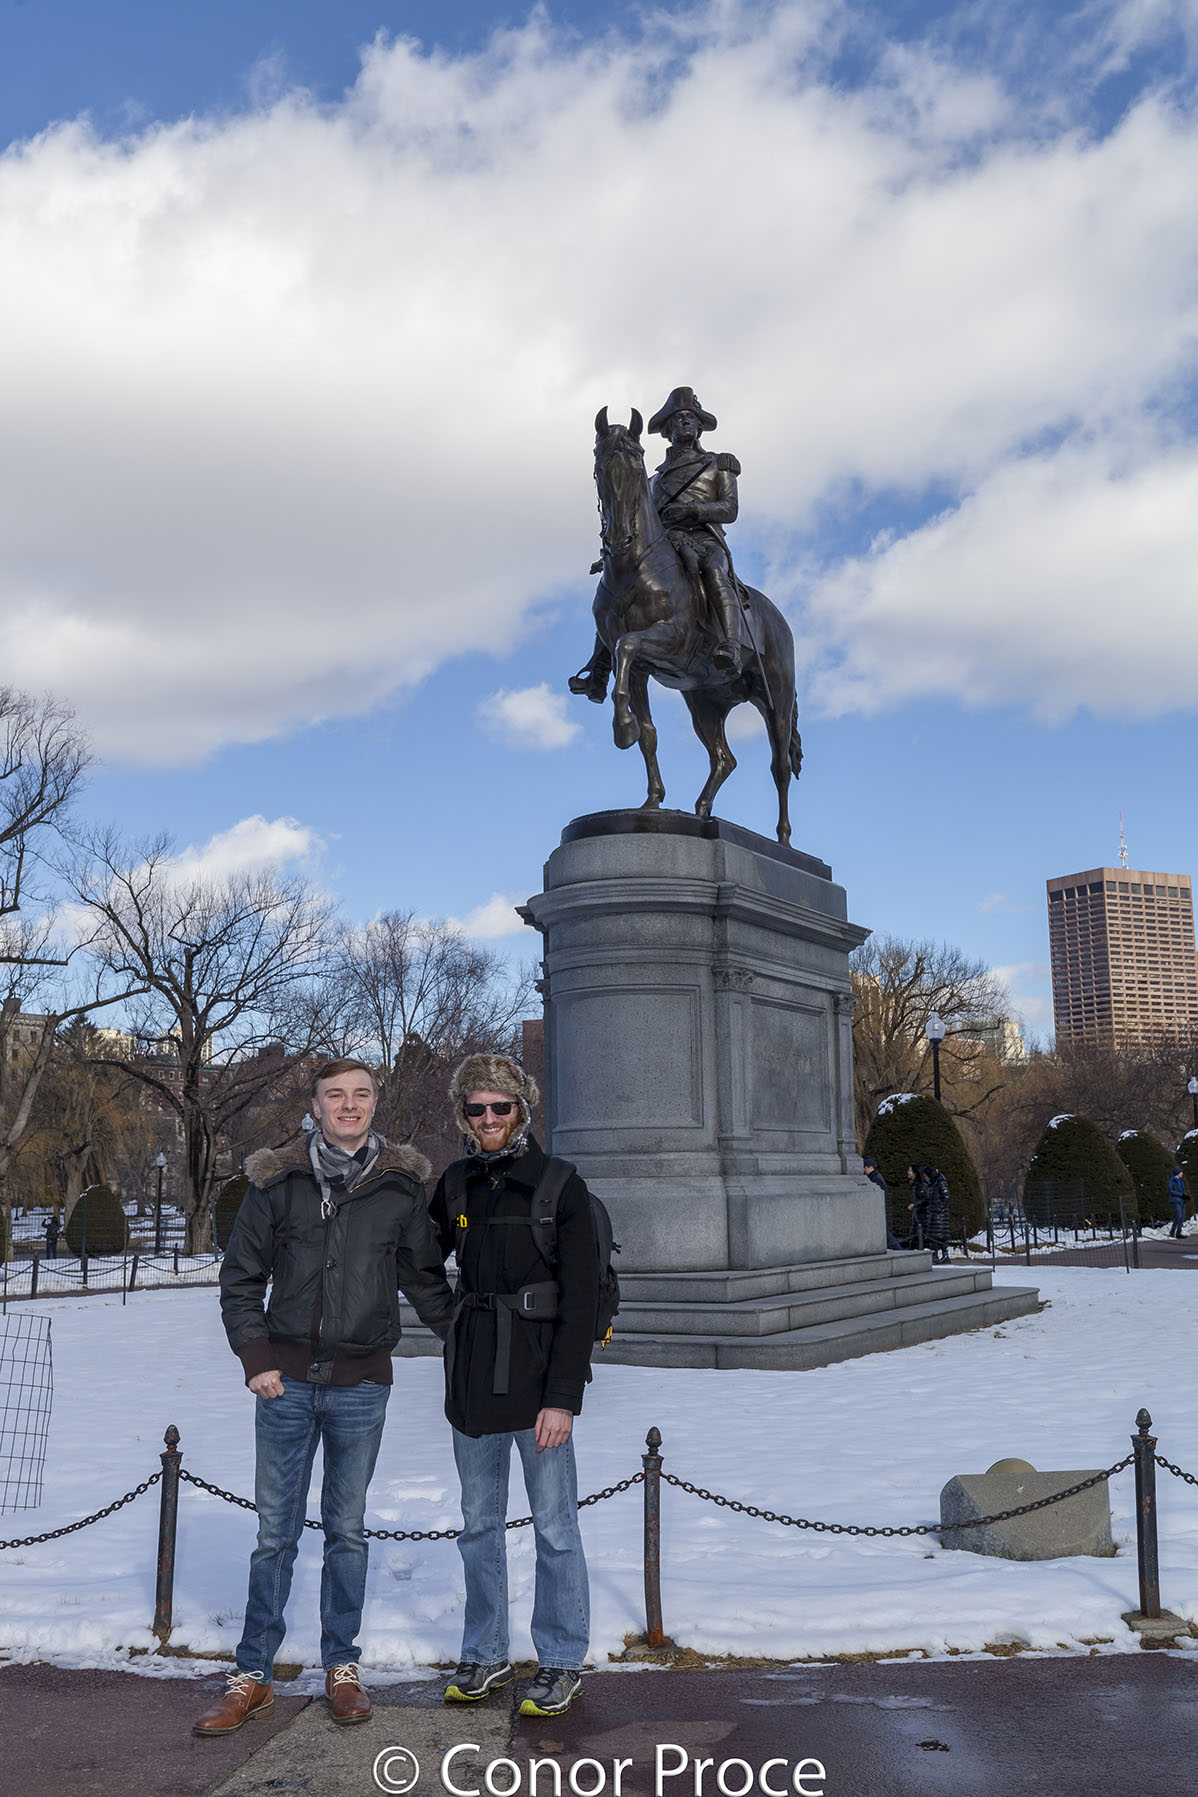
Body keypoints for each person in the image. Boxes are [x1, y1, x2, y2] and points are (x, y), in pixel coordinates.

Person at [193, 1058, 454, 1737]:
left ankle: (342, 1666)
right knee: (274, 1534)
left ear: (374, 1103)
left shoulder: (399, 1188)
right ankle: (253, 1675)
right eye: (335, 1095)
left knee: (347, 1531)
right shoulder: (277, 1182)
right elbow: (240, 1278)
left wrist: (476, 1343)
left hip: (361, 1385)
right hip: (284, 1383)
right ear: (314, 1106)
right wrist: (256, 1359)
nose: (349, 1105)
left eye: (361, 1094)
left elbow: (426, 1282)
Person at [429, 1054, 599, 1719]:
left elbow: (581, 1300)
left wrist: (563, 1397)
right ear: (463, 1115)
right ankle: (486, 1651)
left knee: (555, 1528)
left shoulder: (560, 1184)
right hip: (473, 1380)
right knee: (478, 1526)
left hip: (539, 1382)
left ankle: (561, 1658)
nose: (489, 1117)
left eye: (501, 1106)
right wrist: (447, 1320)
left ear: (521, 1109)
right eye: (477, 1107)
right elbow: (416, 1257)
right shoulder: (455, 1183)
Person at [569, 385, 745, 699]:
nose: (685, 422)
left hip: (704, 539)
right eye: (677, 419)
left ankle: (730, 645)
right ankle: (599, 669)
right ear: (667, 430)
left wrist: (693, 509)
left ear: (700, 426)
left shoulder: (719, 464)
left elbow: (729, 509)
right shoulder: (655, 479)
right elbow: (644, 521)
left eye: (691, 418)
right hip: (664, 544)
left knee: (714, 571)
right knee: (618, 588)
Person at [862, 1156, 902, 1251]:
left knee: (885, 1231)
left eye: (865, 1168)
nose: (864, 1170)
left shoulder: (875, 1178)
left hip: (880, 1209)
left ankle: (898, 1249)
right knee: (884, 1231)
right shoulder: (875, 1177)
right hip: (881, 1208)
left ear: (870, 1167)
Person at [1167, 1167, 1187, 1238]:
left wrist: (1185, 1195)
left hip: (1183, 1201)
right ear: (1177, 1173)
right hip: (1176, 1201)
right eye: (1181, 1172)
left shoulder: (1181, 1180)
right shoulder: (1171, 1180)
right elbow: (1170, 1191)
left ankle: (1178, 1233)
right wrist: (1181, 1195)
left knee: (1182, 1218)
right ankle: (1172, 1232)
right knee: (1179, 1216)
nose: (1182, 1173)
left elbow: (1183, 1190)